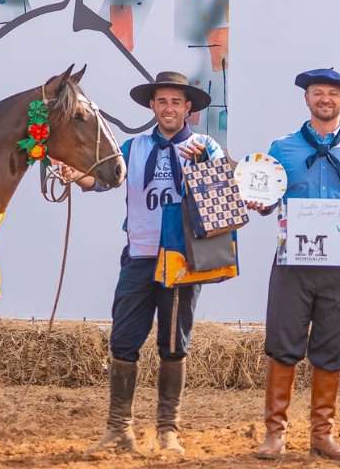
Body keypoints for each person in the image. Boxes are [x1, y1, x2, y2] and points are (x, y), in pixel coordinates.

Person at [62, 71, 233, 456]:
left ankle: (167, 430)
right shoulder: (134, 146)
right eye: (162, 101)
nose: (169, 108)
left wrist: (204, 166)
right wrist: (78, 178)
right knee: (123, 342)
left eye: (176, 102)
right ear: (152, 107)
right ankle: (119, 427)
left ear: (189, 109)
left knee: (173, 344)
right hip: (139, 256)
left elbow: (223, 203)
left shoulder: (208, 147)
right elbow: (104, 182)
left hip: (183, 260)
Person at [249, 68, 340, 460]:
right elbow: (264, 198)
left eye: (333, 93)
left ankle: (321, 434)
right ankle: (275, 433)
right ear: (307, 99)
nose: (325, 98)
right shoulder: (282, 148)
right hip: (292, 263)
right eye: (317, 92)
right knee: (282, 343)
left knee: (332, 346)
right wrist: (258, 201)